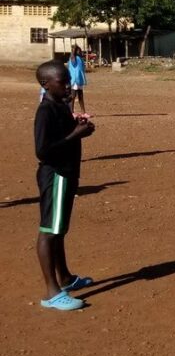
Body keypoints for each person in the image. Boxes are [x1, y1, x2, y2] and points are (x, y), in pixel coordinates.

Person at [34, 60, 96, 311]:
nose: (68, 85)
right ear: (46, 84)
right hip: (55, 175)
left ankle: (66, 278)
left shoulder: (59, 106)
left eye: (68, 80)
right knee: (49, 230)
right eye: (62, 81)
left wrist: (78, 124)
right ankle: (52, 292)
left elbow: (64, 134)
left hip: (67, 174)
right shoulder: (45, 111)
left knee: (59, 228)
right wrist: (75, 134)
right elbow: (43, 150)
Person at [67, 45, 88, 114]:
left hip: (79, 80)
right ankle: (71, 112)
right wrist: (74, 49)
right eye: (78, 50)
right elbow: (73, 58)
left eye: (80, 50)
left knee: (81, 96)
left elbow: (82, 69)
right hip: (74, 80)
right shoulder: (73, 58)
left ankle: (83, 112)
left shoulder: (80, 59)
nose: (80, 51)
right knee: (73, 96)